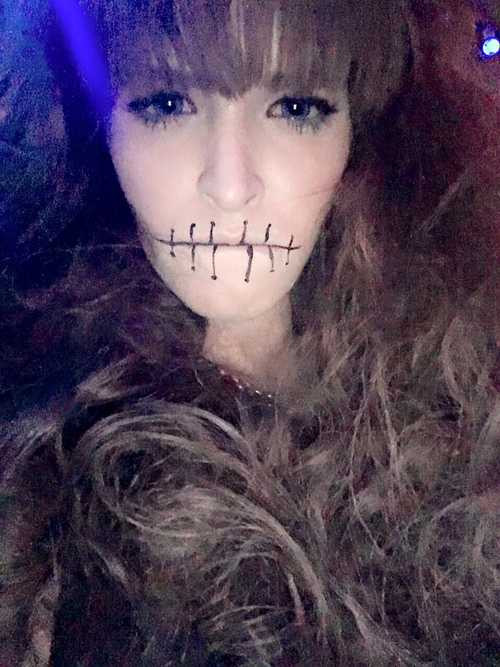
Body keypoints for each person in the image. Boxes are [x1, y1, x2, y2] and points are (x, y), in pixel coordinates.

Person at [0, 0, 499, 664]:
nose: (231, 187)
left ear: (362, 134)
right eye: (166, 103)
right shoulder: (44, 464)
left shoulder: (464, 380)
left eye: (295, 107)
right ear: (100, 131)